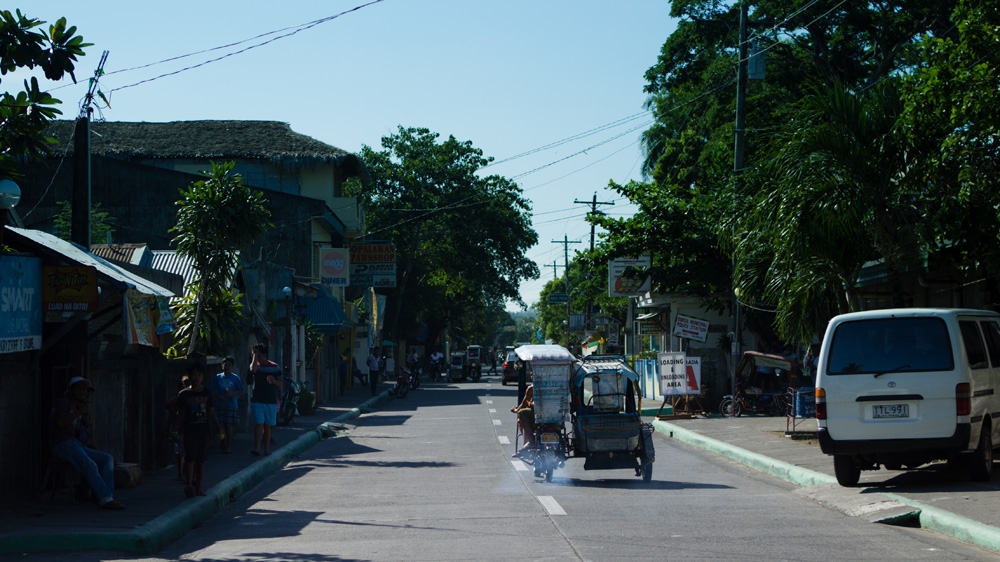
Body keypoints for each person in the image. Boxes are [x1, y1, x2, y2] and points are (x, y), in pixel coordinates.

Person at [49, 377, 125, 510]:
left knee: (106, 458)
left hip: (75, 443)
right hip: (62, 444)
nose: (85, 393)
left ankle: (104, 496)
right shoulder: (63, 403)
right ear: (71, 390)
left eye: (86, 390)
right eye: (81, 389)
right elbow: (60, 422)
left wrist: (85, 425)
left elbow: (81, 435)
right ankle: (105, 498)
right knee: (89, 464)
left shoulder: (79, 408)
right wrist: (79, 413)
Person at [176, 365, 223, 497]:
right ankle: (189, 484)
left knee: (201, 460)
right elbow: (181, 413)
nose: (196, 378)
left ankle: (198, 487)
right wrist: (174, 430)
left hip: (204, 430)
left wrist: (219, 426)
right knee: (190, 458)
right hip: (189, 430)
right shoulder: (184, 394)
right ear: (189, 377)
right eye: (193, 375)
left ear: (202, 377)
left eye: (199, 375)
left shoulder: (207, 393)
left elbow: (212, 413)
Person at [248, 344, 282, 456]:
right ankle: (257, 448)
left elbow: (280, 383)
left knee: (268, 425)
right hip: (257, 399)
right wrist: (254, 356)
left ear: (265, 354)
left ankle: (266, 449)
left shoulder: (274, 367)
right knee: (259, 423)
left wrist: (274, 381)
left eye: (260, 355)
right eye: (256, 356)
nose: (258, 358)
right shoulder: (255, 366)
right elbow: (252, 370)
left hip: (270, 400)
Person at [210, 356, 245, 454]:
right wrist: (218, 397)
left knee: (228, 426)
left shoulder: (235, 378)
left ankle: (228, 446)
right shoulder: (218, 377)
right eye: (225, 365)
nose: (227, 367)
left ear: (232, 367)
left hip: (231, 405)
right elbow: (212, 389)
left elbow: (241, 390)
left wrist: (232, 394)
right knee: (220, 425)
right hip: (220, 405)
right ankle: (223, 442)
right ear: (222, 366)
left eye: (229, 365)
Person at [166, 376, 191, 481]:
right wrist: (170, 428)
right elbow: (171, 411)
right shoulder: (178, 398)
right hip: (179, 429)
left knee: (187, 453)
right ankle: (181, 474)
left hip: (190, 429)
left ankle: (185, 474)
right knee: (180, 454)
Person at [510, 384, 535, 458]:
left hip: (538, 417)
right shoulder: (561, 385)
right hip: (556, 418)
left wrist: (516, 410)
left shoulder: (532, 388)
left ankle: (531, 441)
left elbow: (524, 404)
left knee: (522, 413)